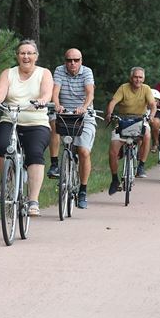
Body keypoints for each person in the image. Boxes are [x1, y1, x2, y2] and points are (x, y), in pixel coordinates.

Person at [0, 39, 53, 216]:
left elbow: (46, 92)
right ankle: (7, 180)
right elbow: (0, 93)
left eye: (30, 53)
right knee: (0, 147)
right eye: (22, 53)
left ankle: (33, 200)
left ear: (36, 56)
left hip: (36, 122)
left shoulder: (44, 73)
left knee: (35, 154)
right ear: (17, 56)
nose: (26, 56)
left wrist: (42, 100)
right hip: (11, 119)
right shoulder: (8, 73)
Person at [46, 48, 95, 209]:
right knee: (53, 123)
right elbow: (55, 91)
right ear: (64, 61)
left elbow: (90, 93)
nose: (72, 63)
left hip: (82, 115)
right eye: (69, 60)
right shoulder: (59, 71)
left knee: (83, 152)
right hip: (63, 112)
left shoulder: (87, 72)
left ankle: (82, 190)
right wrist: (57, 105)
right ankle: (54, 164)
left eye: (76, 60)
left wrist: (84, 107)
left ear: (81, 60)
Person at [105, 67, 156, 195]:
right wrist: (110, 113)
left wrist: (151, 115)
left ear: (143, 79)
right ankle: (115, 179)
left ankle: (141, 166)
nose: (138, 80)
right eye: (135, 77)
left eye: (140, 77)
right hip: (123, 120)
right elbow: (113, 102)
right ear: (131, 77)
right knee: (113, 151)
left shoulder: (146, 89)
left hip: (140, 119)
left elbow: (152, 104)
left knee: (147, 134)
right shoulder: (123, 88)